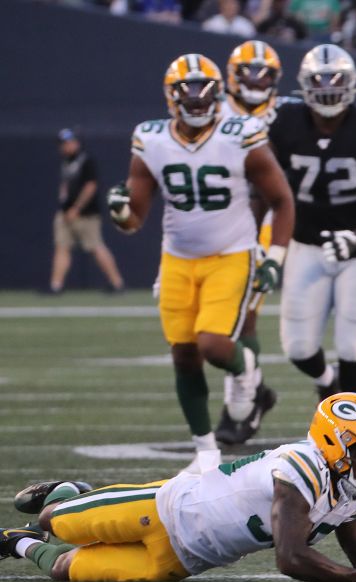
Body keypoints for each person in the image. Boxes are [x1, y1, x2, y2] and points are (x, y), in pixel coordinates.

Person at [0, 393, 356, 582]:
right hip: (163, 508)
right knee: (53, 520)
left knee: (62, 569)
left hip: (184, 559)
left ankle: (16, 544)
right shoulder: (301, 467)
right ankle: (65, 493)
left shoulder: (351, 491)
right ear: (335, 442)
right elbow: (291, 559)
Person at [106, 54, 293, 474]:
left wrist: (275, 256)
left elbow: (282, 200)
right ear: (171, 96)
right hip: (177, 258)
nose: (195, 98)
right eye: (187, 90)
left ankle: (248, 371)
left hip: (232, 254)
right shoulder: (151, 139)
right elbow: (134, 218)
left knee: (212, 344)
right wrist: (121, 213)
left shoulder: (240, 133)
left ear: (218, 91)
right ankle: (205, 449)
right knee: (184, 355)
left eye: (204, 89)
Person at [270, 44, 356, 402]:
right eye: (319, 80)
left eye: (336, 79)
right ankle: (328, 382)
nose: (328, 87)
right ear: (303, 84)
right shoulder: (283, 123)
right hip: (307, 243)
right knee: (297, 348)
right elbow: (264, 188)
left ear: (352, 83)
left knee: (350, 346)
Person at [213, 40, 289, 446]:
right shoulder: (213, 111)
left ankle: (241, 398)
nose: (258, 81)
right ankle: (253, 390)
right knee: (211, 320)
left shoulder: (290, 111)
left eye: (265, 74)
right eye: (250, 73)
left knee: (243, 311)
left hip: (266, 218)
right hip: (218, 218)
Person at [51, 128, 125, 294]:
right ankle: (56, 286)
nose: (65, 147)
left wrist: (77, 208)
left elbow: (91, 186)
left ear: (76, 142)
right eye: (63, 144)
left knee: (95, 247)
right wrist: (64, 206)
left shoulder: (86, 160)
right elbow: (65, 187)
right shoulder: (66, 162)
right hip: (65, 213)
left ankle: (117, 283)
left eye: (69, 143)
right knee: (62, 247)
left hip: (86, 214)